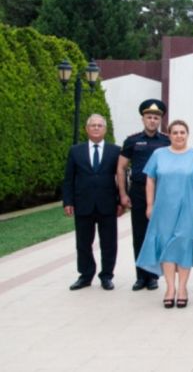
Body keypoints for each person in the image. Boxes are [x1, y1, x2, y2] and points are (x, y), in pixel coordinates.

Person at [136, 120, 193, 308]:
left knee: (184, 244)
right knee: (166, 247)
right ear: (169, 135)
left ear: (188, 134)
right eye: (175, 132)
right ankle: (170, 288)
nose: (179, 135)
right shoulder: (158, 154)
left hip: (188, 209)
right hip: (163, 210)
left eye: (182, 132)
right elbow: (150, 179)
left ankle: (183, 289)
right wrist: (149, 205)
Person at [63, 114, 123, 291]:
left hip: (107, 204)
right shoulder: (75, 151)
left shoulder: (115, 150)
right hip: (83, 203)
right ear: (86, 129)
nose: (96, 128)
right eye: (93, 125)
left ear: (105, 129)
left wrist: (121, 200)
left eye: (99, 125)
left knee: (109, 243)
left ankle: (106, 276)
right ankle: (85, 275)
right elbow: (68, 179)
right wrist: (68, 201)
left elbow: (120, 178)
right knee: (83, 243)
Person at [117, 99, 170, 291]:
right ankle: (141, 276)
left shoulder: (166, 140)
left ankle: (154, 275)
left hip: (161, 193)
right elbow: (121, 168)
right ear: (143, 119)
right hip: (138, 192)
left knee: (157, 235)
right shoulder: (132, 141)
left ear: (160, 120)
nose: (152, 121)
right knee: (140, 235)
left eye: (156, 118)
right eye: (149, 117)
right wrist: (122, 194)